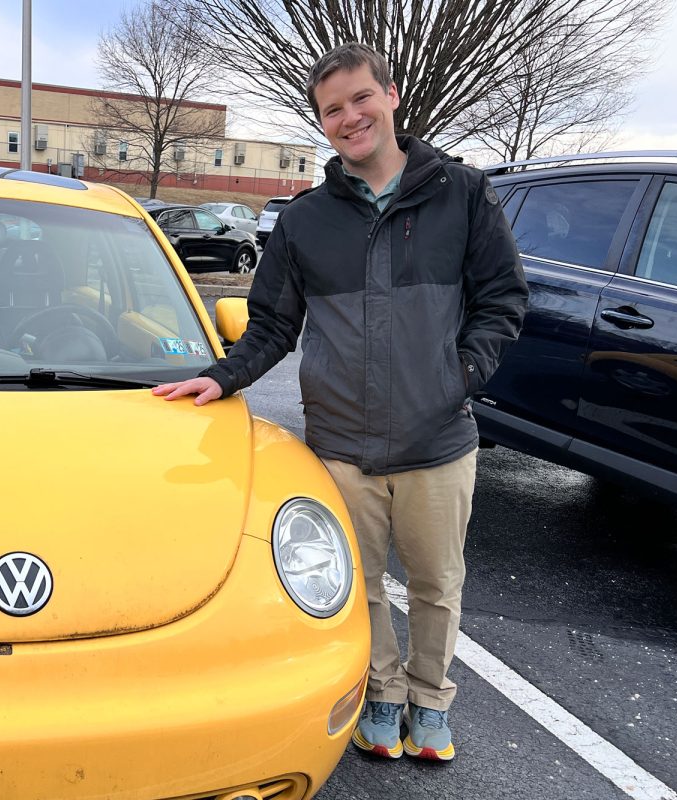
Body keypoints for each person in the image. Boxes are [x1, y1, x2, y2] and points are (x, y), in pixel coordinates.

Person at [153, 43, 528, 762]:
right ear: (322, 124)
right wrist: (222, 377)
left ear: (390, 96)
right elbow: (270, 325)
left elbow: (502, 300)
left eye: (361, 98)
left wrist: (463, 373)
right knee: (358, 587)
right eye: (333, 110)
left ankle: (431, 700)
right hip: (343, 443)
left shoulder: (464, 194)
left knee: (437, 586)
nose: (350, 117)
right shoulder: (303, 222)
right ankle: (382, 696)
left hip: (438, 439)